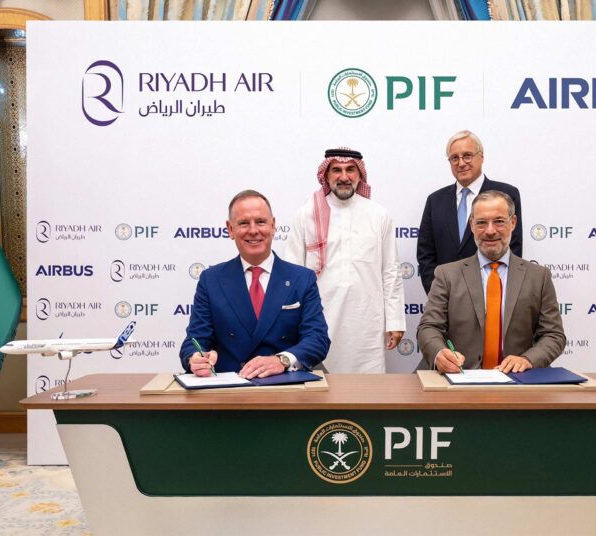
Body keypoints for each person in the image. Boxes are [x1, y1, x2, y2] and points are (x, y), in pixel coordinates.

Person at [180, 190, 330, 379]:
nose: (253, 230)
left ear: (273, 225)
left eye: (260, 222)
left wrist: (281, 360)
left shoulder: (302, 278)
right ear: (230, 229)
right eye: (243, 223)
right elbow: (194, 341)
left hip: (287, 391)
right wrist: (196, 358)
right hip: (228, 392)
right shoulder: (211, 280)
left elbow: (317, 339)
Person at [284, 147, 405, 373]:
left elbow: (390, 272)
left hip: (367, 324)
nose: (344, 177)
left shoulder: (378, 215)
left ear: (360, 175)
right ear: (326, 176)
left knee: (368, 394)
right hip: (317, 322)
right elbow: (291, 275)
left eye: (350, 170)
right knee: (320, 394)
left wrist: (395, 321)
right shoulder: (306, 214)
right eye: (336, 170)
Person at [417, 190, 564, 374]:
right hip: (458, 379)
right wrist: (439, 353)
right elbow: (428, 328)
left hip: (516, 382)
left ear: (513, 223)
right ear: (471, 225)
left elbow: (554, 335)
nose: (490, 230)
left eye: (499, 221)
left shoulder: (539, 277)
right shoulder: (447, 275)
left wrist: (527, 359)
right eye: (481, 223)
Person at [417, 130, 523, 294]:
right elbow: (426, 255)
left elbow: (513, 248)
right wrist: (439, 294)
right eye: (454, 158)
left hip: (492, 296)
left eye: (467, 155)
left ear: (481, 157)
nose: (461, 163)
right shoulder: (435, 200)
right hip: (446, 299)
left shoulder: (506, 194)